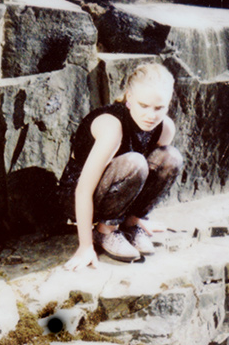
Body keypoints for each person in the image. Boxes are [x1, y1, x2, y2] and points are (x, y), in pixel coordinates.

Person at [59, 63, 184, 271]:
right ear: (129, 98)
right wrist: (85, 246)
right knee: (135, 162)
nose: (151, 115)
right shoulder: (112, 126)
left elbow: (151, 177)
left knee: (171, 157)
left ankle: (131, 224)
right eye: (143, 105)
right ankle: (105, 231)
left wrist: (137, 216)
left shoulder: (165, 128)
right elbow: (83, 190)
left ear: (168, 104)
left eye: (159, 108)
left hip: (115, 193)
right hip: (76, 196)